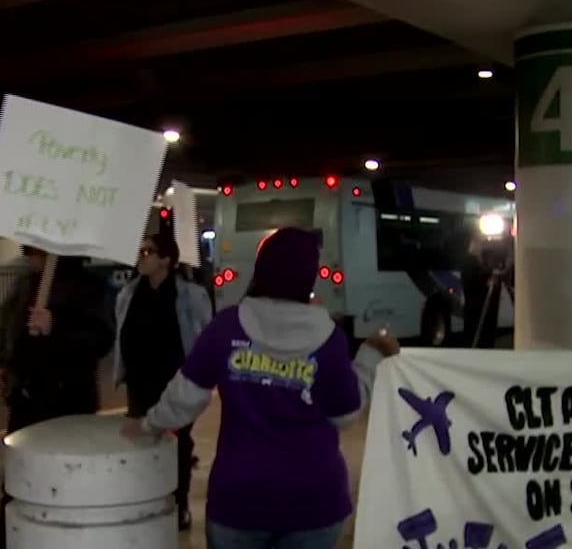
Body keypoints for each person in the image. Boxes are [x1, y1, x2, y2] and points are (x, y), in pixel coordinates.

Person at [122, 227, 400, 548]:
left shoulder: (226, 328)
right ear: (309, 277)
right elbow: (345, 415)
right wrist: (369, 358)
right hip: (313, 503)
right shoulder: (329, 339)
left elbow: (182, 400)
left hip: (239, 501)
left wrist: (147, 424)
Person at [0, 246, 114, 549]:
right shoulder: (27, 284)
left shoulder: (89, 287)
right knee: (19, 476)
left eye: (33, 249)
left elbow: (100, 339)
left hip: (67, 403)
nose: (27, 255)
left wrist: (56, 326)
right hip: (25, 399)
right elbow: (9, 330)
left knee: (64, 480)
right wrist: (2, 365)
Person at [113, 233, 212, 530]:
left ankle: (178, 503)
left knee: (176, 443)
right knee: (141, 440)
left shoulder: (191, 295)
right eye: (140, 250)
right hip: (139, 383)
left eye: (149, 251)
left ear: (167, 259)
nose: (142, 256)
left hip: (175, 383)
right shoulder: (129, 294)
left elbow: (204, 335)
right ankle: (147, 498)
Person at [461, 234, 500, 348]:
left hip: (477, 311)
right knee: (477, 335)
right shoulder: (470, 263)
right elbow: (475, 279)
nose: (481, 247)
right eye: (479, 244)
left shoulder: (478, 263)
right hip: (476, 310)